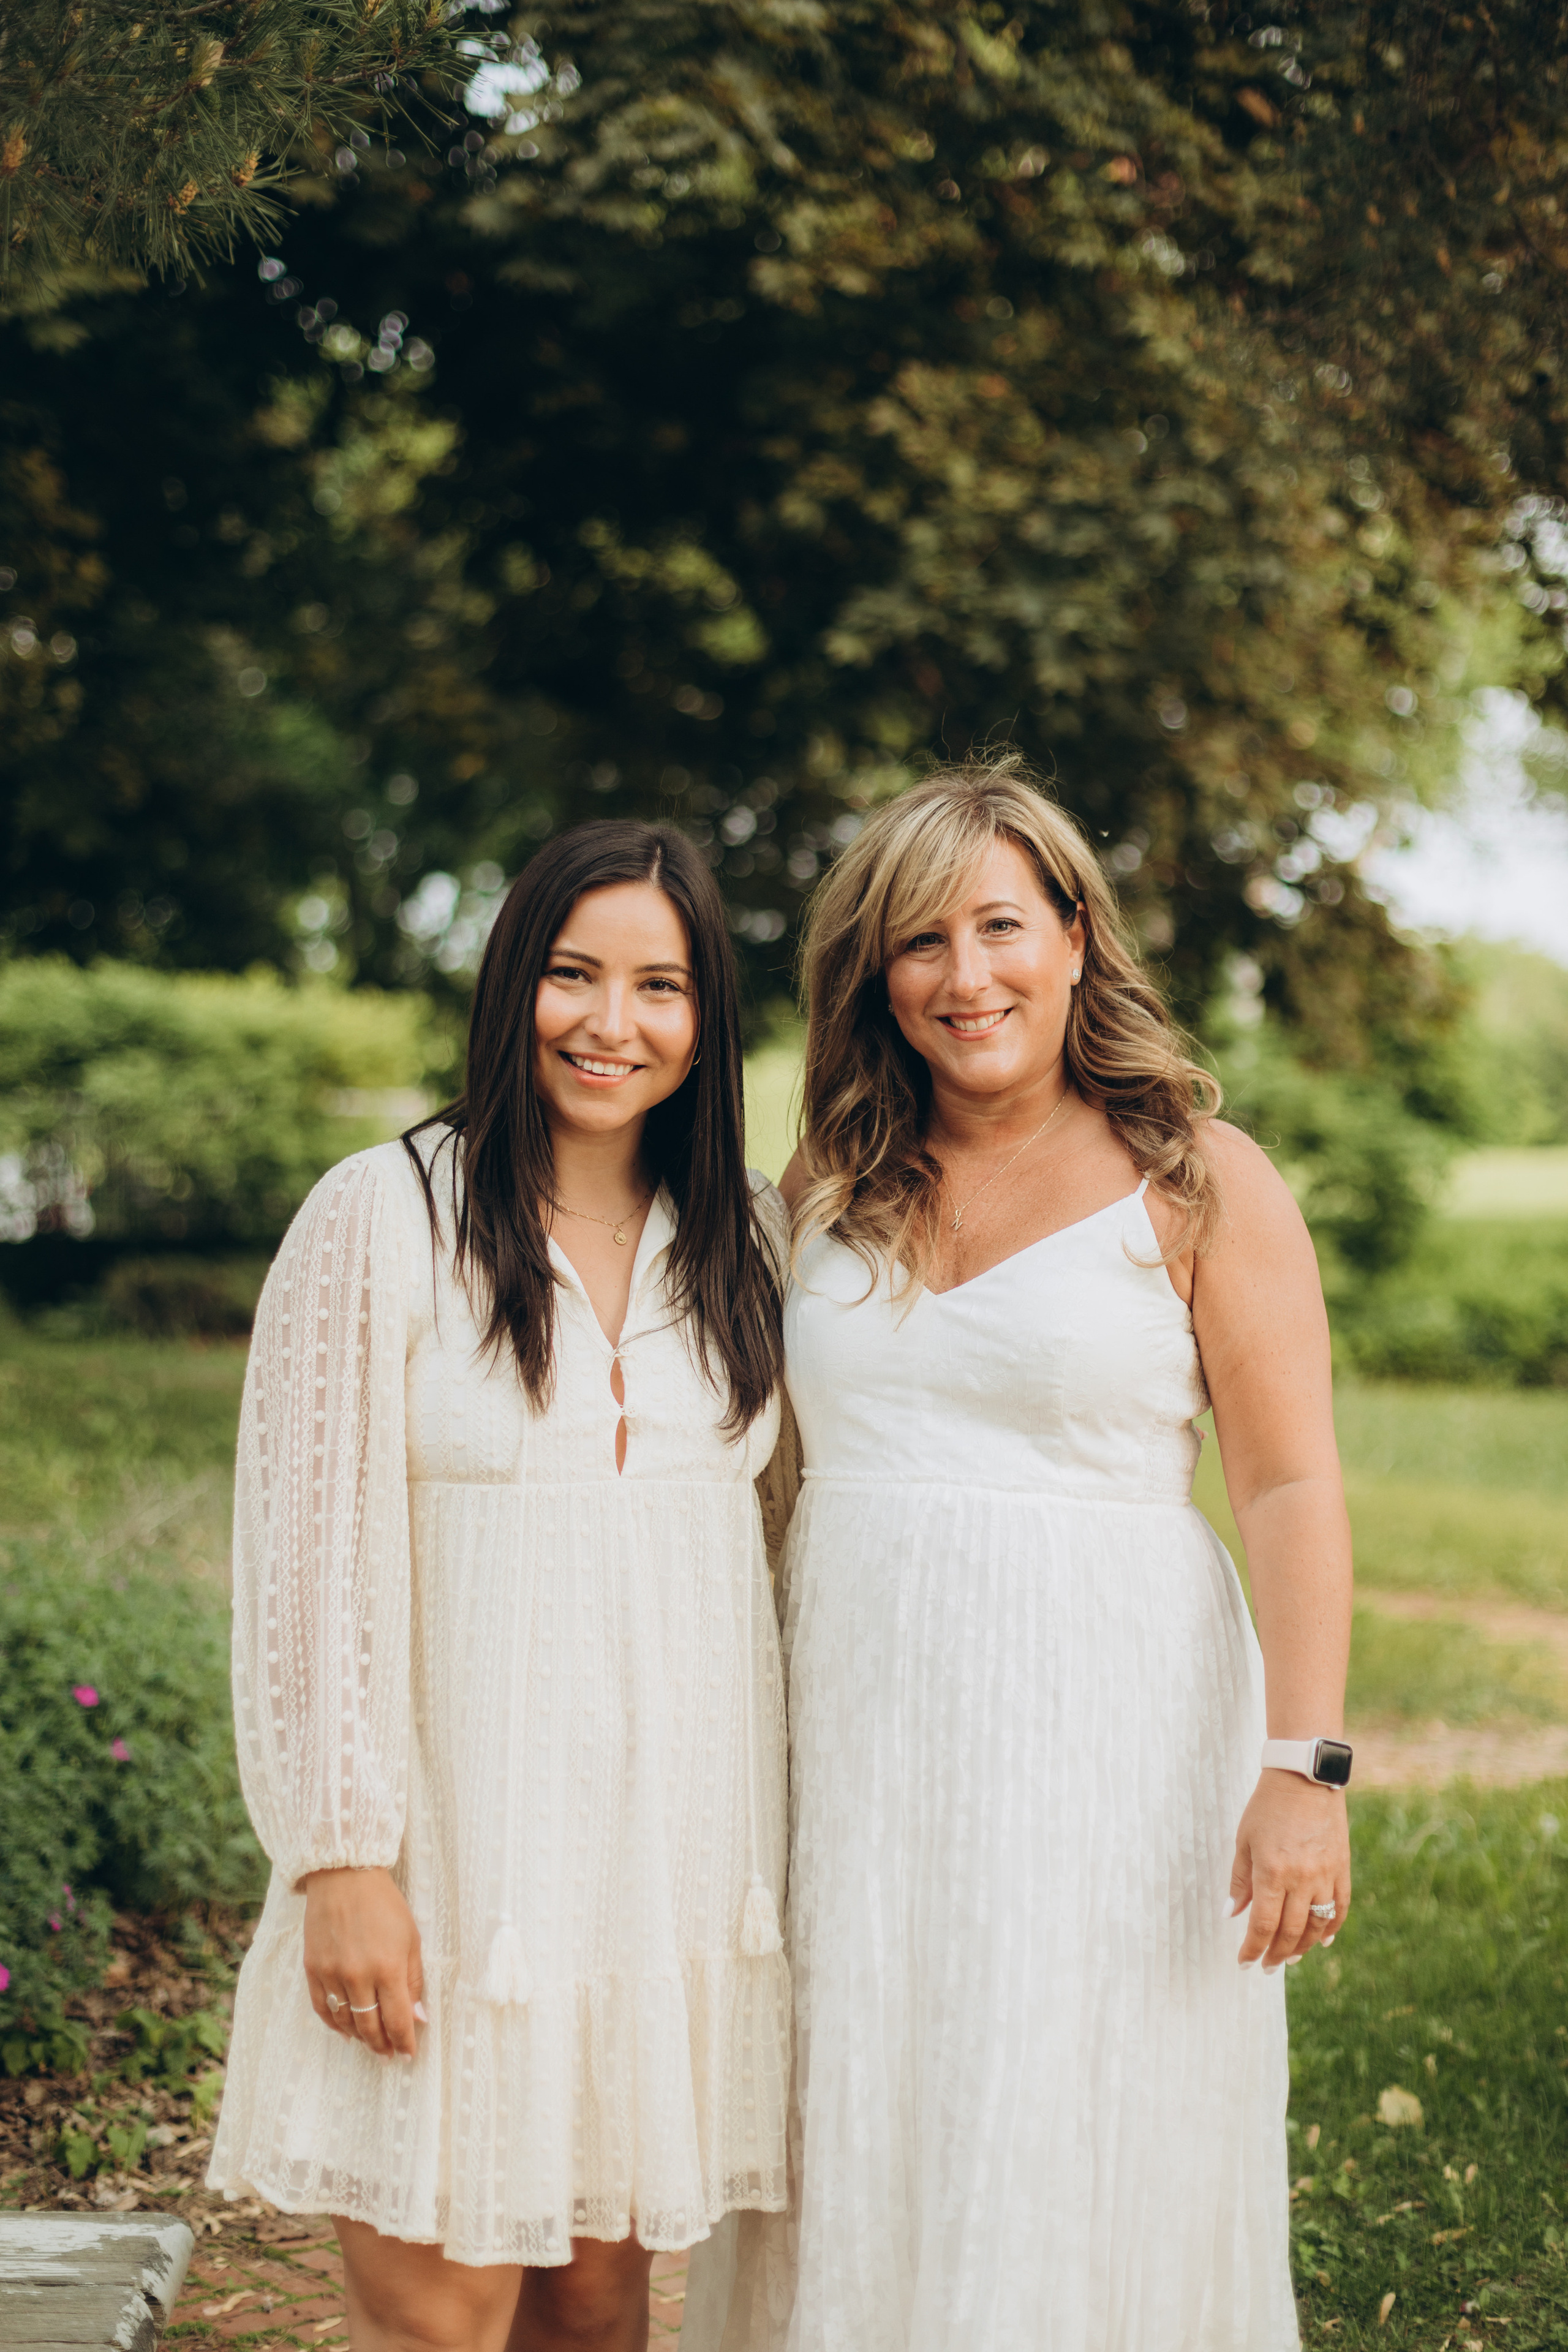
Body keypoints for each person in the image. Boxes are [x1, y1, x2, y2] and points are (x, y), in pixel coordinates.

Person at [688, 761, 1352, 2352]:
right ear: (876, 974)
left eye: (999, 926)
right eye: (919, 942)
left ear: (1075, 936)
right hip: (858, 1741)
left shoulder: (1200, 1178)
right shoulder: (828, 1186)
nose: (964, 976)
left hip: (1111, 1735)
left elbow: (1291, 1489)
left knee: (1079, 2099)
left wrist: (1305, 1772)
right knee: (866, 2090)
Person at [210, 821, 795, 2352]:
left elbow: (780, 1557)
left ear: (705, 1015)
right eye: (571, 974)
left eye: (659, 986)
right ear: (508, 984)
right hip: (454, 1867)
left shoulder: (742, 1241)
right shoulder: (381, 1216)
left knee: (599, 2308)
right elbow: (303, 1558)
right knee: (442, 2309)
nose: (613, 1023)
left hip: (651, 1871)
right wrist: (343, 1857)